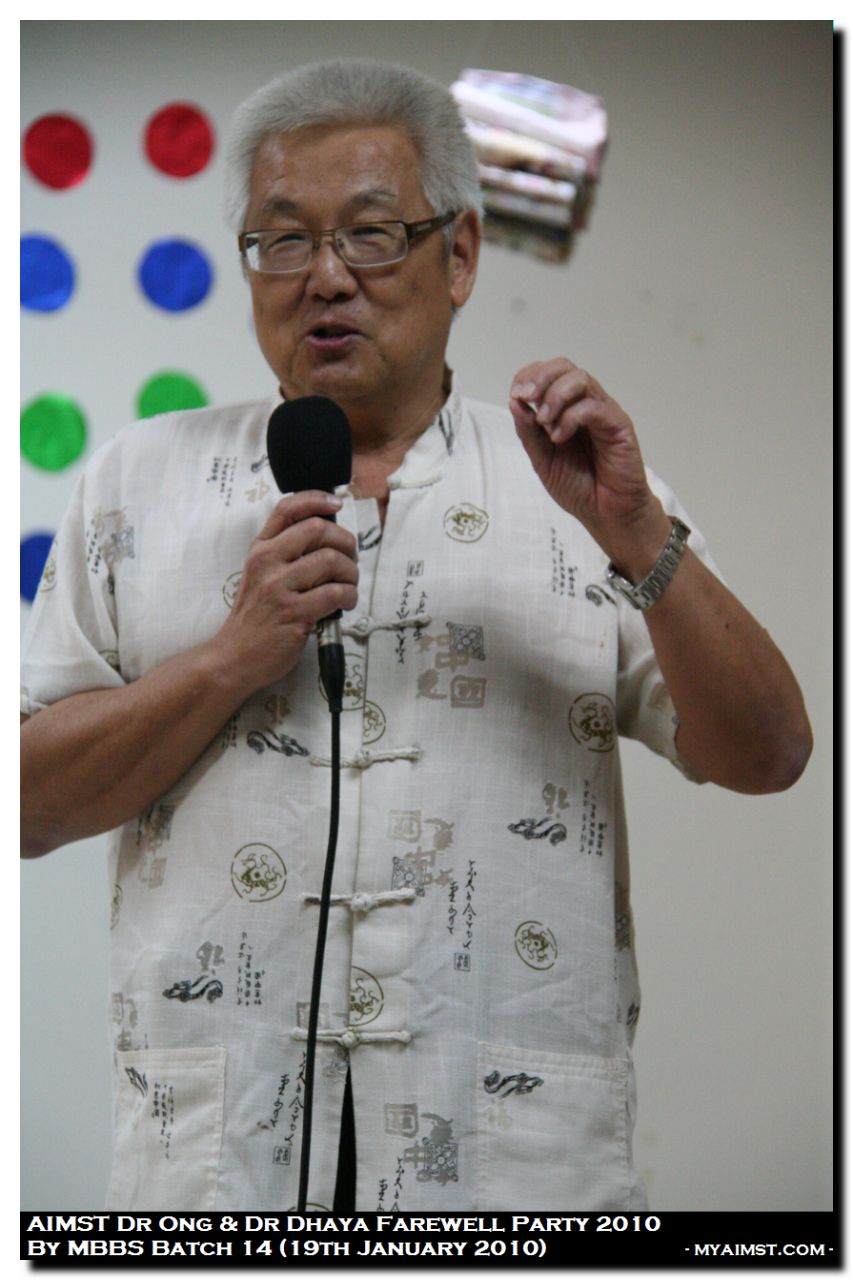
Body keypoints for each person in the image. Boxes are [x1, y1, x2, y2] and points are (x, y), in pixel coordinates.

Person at [20, 58, 812, 1213]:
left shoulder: (573, 489)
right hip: (221, 1164)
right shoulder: (139, 482)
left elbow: (769, 752)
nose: (324, 277)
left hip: (507, 1165)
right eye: (281, 241)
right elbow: (25, 804)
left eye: (370, 234)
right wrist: (230, 661)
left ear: (461, 255)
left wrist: (638, 531)